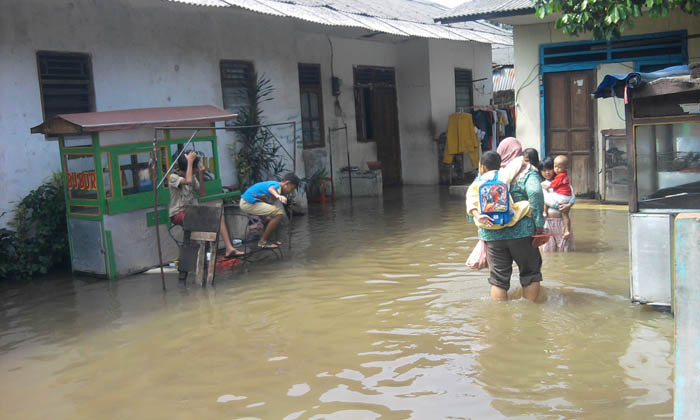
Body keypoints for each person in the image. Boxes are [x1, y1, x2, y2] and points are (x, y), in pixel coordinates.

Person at [474, 137, 547, 302]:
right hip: (522, 235)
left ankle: (499, 320)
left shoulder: (488, 174)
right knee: (530, 274)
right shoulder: (527, 171)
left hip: (493, 234)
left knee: (498, 280)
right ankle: (531, 316)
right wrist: (539, 226)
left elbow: (473, 202)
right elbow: (535, 194)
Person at [168, 150, 244, 260]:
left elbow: (202, 193)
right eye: (194, 169)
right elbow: (188, 180)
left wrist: (201, 173)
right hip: (177, 214)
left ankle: (229, 248)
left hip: (191, 212)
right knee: (197, 224)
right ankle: (198, 253)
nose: (194, 172)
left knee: (219, 216)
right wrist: (190, 161)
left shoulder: (192, 176)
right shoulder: (173, 177)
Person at [466, 151, 532, 230]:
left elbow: (470, 203)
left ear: (482, 167)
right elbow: (517, 162)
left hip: (485, 222)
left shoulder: (476, 184)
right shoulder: (503, 175)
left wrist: (478, 216)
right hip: (507, 220)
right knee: (528, 205)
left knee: (475, 214)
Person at [239, 173, 300, 249]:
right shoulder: (276, 186)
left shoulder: (276, 188)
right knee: (279, 213)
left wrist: (275, 198)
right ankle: (262, 242)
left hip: (250, 202)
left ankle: (270, 239)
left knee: (273, 218)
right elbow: (271, 189)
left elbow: (271, 202)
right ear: (287, 183)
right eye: (292, 189)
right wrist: (278, 196)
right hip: (248, 202)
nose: (291, 192)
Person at [539, 156, 575, 252]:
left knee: (564, 247)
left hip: (562, 221)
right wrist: (557, 206)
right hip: (549, 221)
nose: (547, 172)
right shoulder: (543, 184)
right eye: (543, 170)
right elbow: (546, 199)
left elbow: (572, 194)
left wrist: (569, 205)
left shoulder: (563, 181)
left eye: (549, 169)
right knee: (549, 248)